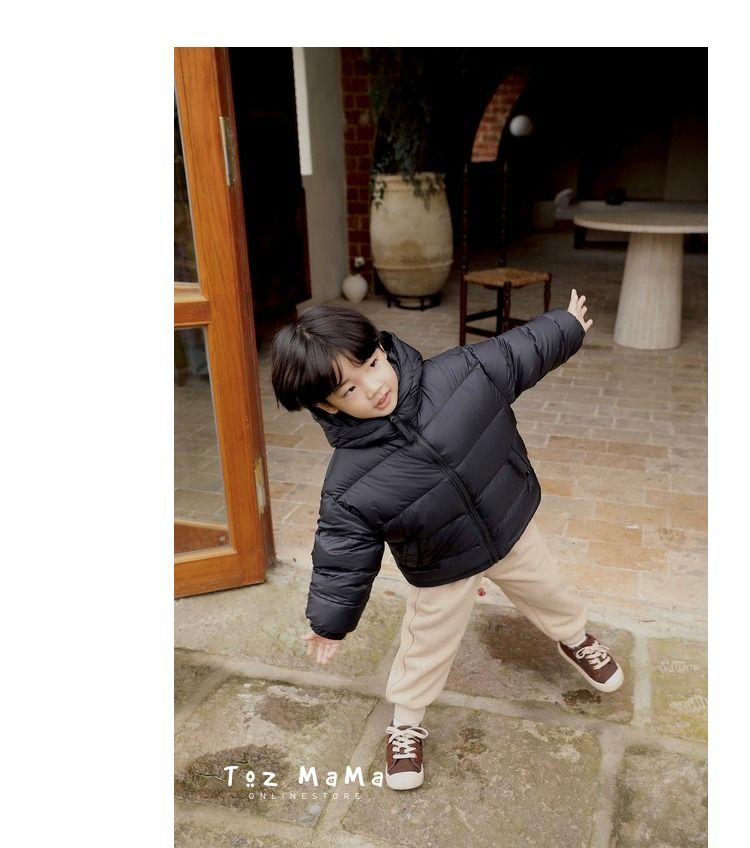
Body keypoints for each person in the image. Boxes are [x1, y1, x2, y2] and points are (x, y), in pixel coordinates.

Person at [270, 290, 623, 791]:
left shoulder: (462, 373)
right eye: (349, 389)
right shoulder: (349, 484)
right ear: (327, 406)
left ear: (382, 349)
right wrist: (329, 624)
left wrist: (566, 326)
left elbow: (518, 351)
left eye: (372, 364)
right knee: (427, 642)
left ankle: (576, 638)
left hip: (508, 522)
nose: (373, 387)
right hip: (442, 563)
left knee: (549, 588)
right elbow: (341, 557)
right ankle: (406, 722)